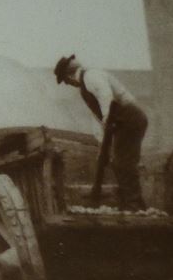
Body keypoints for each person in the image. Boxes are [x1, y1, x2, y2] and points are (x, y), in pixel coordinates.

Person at [53, 54, 148, 210]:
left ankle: (134, 204)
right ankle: (133, 203)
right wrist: (102, 143)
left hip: (131, 119)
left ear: (69, 76)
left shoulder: (91, 76)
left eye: (66, 81)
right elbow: (97, 118)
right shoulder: (84, 86)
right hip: (122, 123)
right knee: (118, 162)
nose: (68, 84)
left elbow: (106, 95)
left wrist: (106, 117)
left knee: (124, 162)